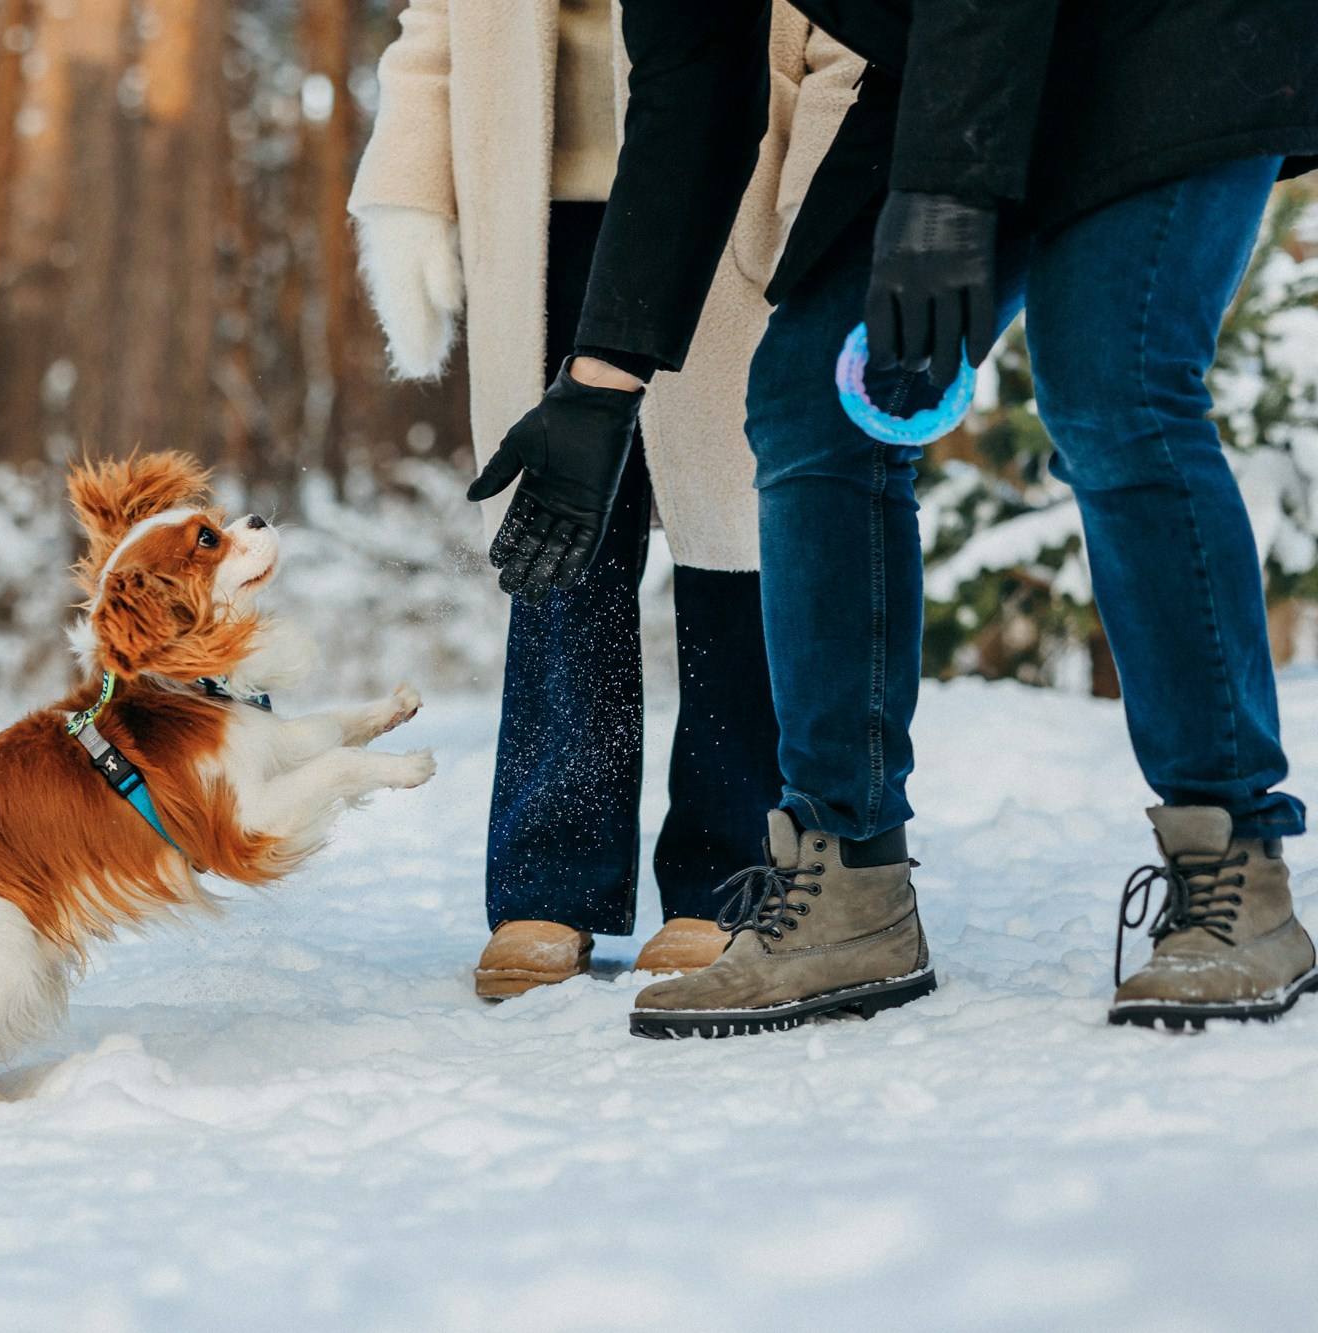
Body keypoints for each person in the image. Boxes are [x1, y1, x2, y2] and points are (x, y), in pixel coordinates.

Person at [470, 0, 1318, 1035]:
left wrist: (946, 194)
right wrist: (600, 381)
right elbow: (693, 83)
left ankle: (1230, 859)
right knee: (809, 396)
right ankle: (849, 879)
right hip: (956, 64)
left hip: (1169, 36)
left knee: (1113, 377)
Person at [349, 0, 862, 998]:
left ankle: (729, 872)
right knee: (555, 547)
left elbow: (842, 35)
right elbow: (434, 29)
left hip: (728, 211)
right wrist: (407, 196)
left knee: (734, 541)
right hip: (537, 225)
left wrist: (818, 202)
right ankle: (550, 880)